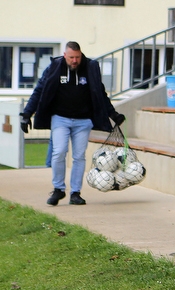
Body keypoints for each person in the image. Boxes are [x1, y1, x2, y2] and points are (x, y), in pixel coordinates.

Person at [20, 41, 124, 206]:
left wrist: (113, 114)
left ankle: (76, 193)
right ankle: (58, 189)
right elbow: (40, 90)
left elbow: (100, 93)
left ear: (81, 55)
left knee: (78, 156)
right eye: (71, 58)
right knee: (59, 152)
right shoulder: (54, 67)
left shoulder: (90, 67)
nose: (75, 61)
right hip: (60, 119)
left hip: (83, 121)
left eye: (77, 57)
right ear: (65, 55)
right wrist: (26, 114)